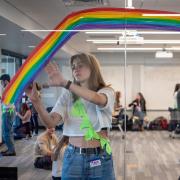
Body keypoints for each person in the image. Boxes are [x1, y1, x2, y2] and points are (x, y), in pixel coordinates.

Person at [25, 53, 115, 179]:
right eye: (73, 67)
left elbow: (97, 99)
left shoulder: (106, 92)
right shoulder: (67, 95)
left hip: (100, 157)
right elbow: (51, 122)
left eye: (80, 65)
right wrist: (36, 102)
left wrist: (64, 83)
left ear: (93, 69)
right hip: (73, 157)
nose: (75, 69)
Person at [0, 74, 16, 156]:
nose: (1, 83)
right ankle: (10, 148)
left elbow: (5, 101)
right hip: (9, 111)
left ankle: (11, 150)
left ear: (5, 81)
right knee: (8, 132)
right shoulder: (10, 87)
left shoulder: (8, 88)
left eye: (2, 82)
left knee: (6, 132)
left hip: (8, 111)